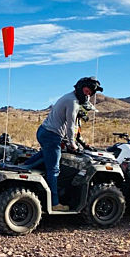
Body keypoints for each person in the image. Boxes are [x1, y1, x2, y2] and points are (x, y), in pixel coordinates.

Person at [36, 77, 103, 211]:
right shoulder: (72, 102)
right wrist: (72, 144)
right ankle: (54, 204)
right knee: (54, 170)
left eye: (90, 93)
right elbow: (71, 126)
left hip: (44, 131)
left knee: (44, 156)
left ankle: (22, 167)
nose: (87, 95)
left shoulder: (70, 97)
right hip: (51, 135)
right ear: (80, 88)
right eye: (86, 91)